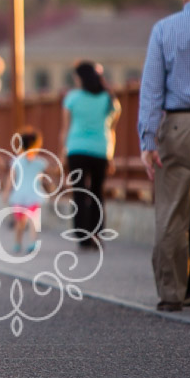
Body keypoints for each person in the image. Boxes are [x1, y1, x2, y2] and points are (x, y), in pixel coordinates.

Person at [138, 0, 190, 312]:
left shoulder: (165, 29)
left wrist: (148, 140)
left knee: (173, 212)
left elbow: (151, 90)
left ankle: (173, 294)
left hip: (179, 125)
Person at [60, 61, 120, 250]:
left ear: (80, 78)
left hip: (76, 149)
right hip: (100, 150)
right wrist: (110, 155)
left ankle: (82, 236)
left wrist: (63, 152)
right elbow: (111, 130)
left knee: (79, 192)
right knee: (97, 193)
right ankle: (97, 235)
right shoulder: (109, 98)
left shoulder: (72, 97)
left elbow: (65, 129)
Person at [3, 127, 56, 254]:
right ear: (37, 144)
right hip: (34, 194)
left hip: (19, 195)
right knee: (33, 219)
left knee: (19, 222)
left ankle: (17, 243)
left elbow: (11, 179)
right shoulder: (40, 162)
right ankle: (33, 242)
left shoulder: (16, 161)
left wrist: (6, 192)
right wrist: (52, 186)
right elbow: (50, 175)